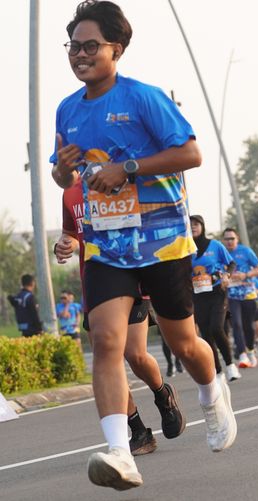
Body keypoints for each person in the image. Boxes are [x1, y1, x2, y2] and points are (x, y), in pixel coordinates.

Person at [50, 1, 235, 489]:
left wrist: (126, 168)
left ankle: (211, 394)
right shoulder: (68, 108)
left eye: (90, 46)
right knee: (106, 342)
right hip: (107, 248)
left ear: (117, 49)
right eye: (73, 46)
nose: (80, 54)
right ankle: (121, 452)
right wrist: (64, 170)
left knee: (184, 344)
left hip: (162, 244)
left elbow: (191, 153)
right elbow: (63, 176)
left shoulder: (144, 98)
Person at [53, 176, 186, 459]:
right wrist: (65, 244)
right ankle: (138, 430)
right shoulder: (69, 193)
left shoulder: (117, 176)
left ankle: (162, 394)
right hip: (95, 286)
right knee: (108, 360)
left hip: (131, 276)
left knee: (135, 355)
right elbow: (72, 233)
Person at [190, 216, 240, 381]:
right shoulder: (185, 249)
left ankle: (230, 366)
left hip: (217, 292)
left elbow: (231, 264)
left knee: (216, 328)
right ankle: (218, 371)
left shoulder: (215, 245)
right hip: (198, 295)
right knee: (205, 334)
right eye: (190, 225)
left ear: (202, 226)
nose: (193, 227)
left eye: (196, 224)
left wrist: (226, 275)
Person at [222, 227, 258, 368]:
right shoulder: (222, 253)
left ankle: (250, 351)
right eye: (226, 239)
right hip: (231, 296)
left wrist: (245, 275)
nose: (229, 241)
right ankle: (242, 355)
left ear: (237, 239)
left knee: (248, 326)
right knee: (236, 324)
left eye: (232, 238)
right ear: (223, 241)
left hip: (248, 294)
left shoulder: (245, 251)